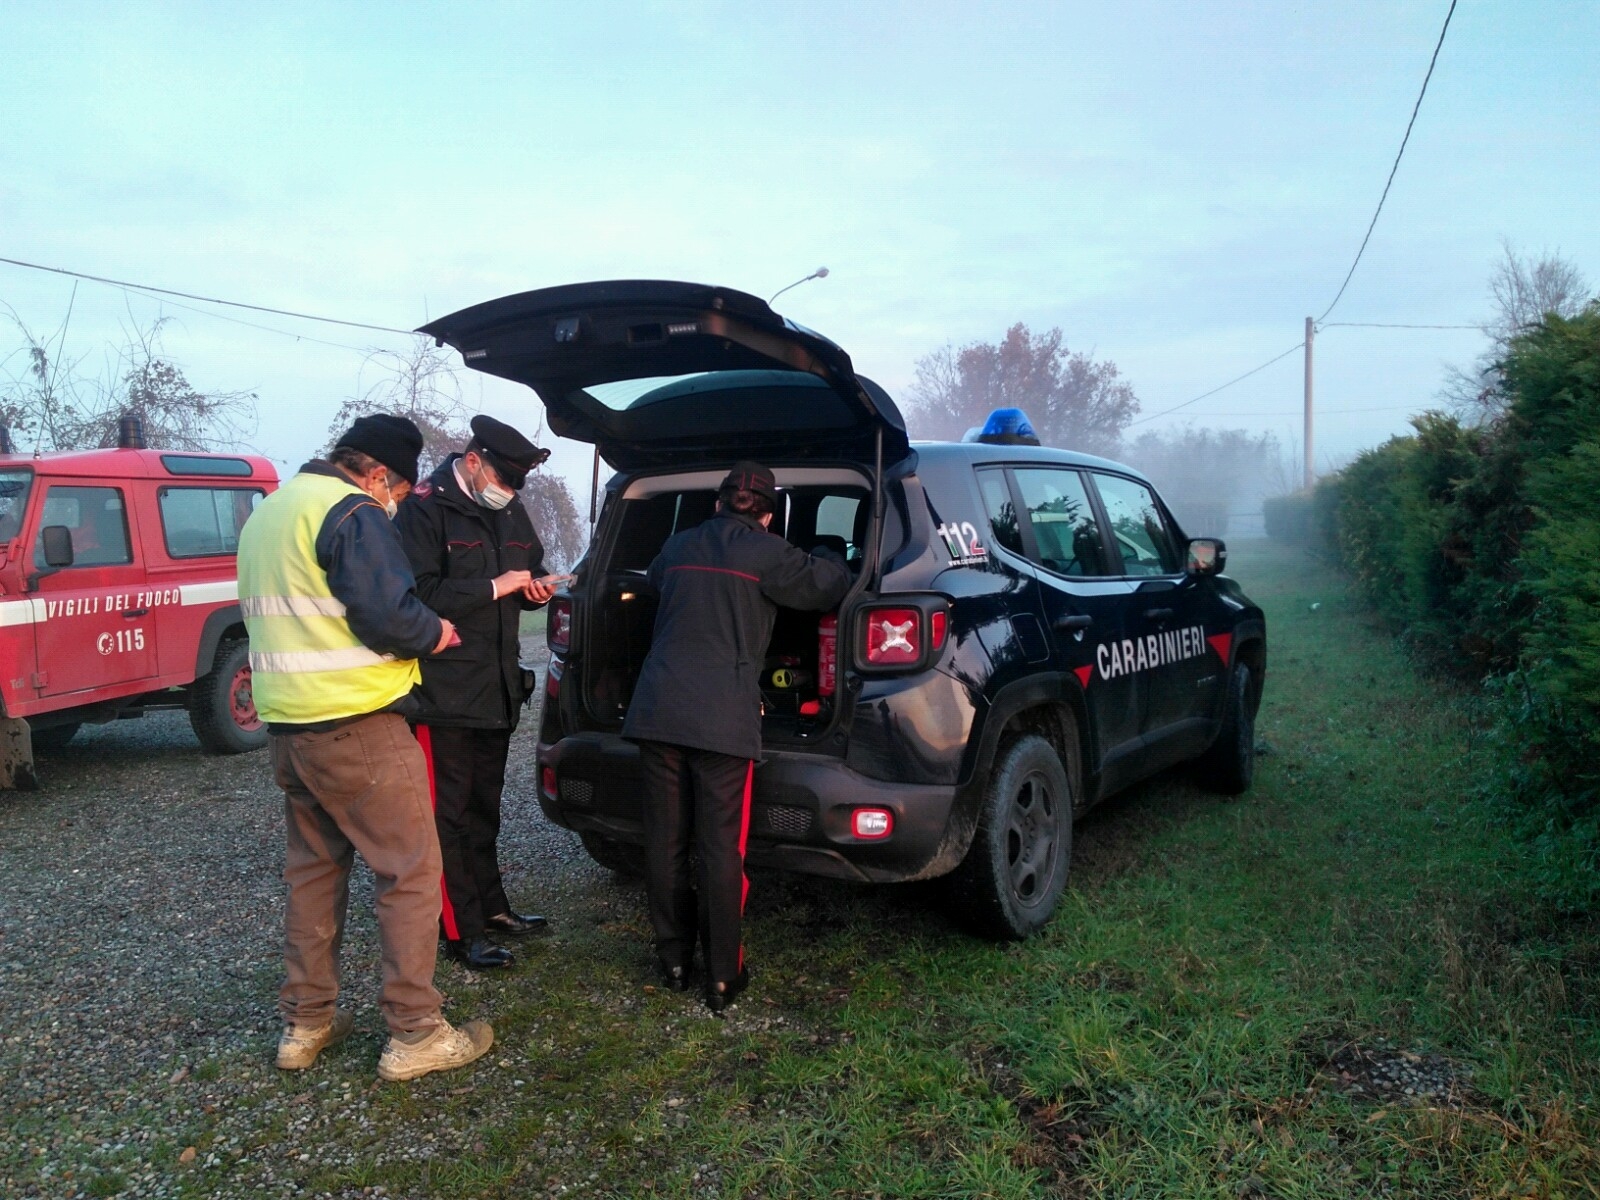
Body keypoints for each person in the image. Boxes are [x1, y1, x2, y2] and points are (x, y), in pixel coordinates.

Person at [238, 413, 494, 1082]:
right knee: (409, 872)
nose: (400, 501)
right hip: (358, 725)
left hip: (291, 732)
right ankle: (416, 1032)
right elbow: (385, 612)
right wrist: (434, 631)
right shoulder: (351, 511)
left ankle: (306, 1023)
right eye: (401, 490)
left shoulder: (272, 512)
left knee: (314, 875)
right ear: (378, 474)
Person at [623, 461, 851, 1013]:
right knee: (722, 848)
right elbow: (831, 584)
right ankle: (723, 976)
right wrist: (826, 550)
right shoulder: (770, 554)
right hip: (723, 721)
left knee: (666, 841)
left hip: (657, 713)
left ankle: (674, 960)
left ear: (718, 504)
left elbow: (654, 581)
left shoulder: (678, 545)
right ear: (768, 516)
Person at [395, 415, 558, 971]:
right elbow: (415, 594)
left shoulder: (507, 507)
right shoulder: (424, 509)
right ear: (472, 461)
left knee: (484, 810)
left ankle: (493, 910)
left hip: (496, 688)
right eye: (502, 478)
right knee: (448, 816)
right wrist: (494, 586)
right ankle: (459, 928)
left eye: (515, 483)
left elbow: (527, 571)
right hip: (444, 694)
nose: (508, 491)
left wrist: (534, 591)